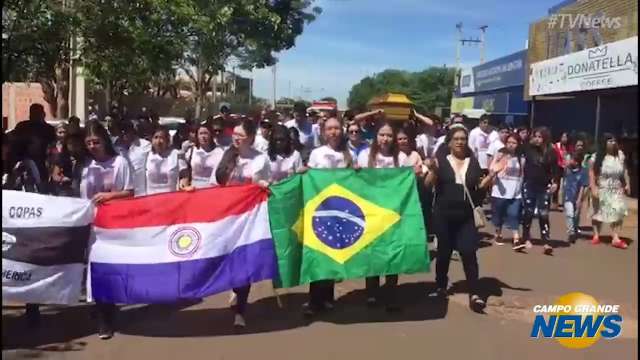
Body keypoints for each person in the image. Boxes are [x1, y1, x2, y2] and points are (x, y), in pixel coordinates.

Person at [424, 125, 497, 313]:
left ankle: (475, 293)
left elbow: (479, 189)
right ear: (449, 142)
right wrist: (432, 170)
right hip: (444, 215)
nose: (460, 142)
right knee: (444, 253)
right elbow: (427, 185)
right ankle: (440, 286)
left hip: (466, 217)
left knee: (468, 252)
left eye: (463, 139)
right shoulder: (440, 160)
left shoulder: (473, 162)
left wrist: (492, 175)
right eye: (456, 139)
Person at [210, 118, 270, 328]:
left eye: (240, 136)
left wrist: (262, 184)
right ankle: (234, 288)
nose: (235, 138)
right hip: (226, 217)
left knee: (244, 262)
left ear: (251, 138)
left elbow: (264, 185)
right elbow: (214, 184)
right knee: (227, 259)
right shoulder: (225, 156)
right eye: (234, 134)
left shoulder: (260, 159)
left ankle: (240, 311)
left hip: (248, 220)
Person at [80, 121, 134, 340]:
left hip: (115, 224)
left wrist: (109, 196)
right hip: (93, 226)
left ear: (104, 141)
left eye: (96, 142)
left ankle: (107, 314)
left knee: (111, 269)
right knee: (96, 270)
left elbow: (130, 191)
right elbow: (83, 198)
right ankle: (104, 315)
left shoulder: (120, 162)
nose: (93, 146)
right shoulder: (86, 166)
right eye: (89, 143)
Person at [356, 121, 409, 311]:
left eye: (388, 135)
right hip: (370, 212)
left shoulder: (402, 158)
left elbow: (407, 184)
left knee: (392, 253)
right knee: (373, 253)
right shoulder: (364, 156)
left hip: (394, 213)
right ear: (375, 136)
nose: (385, 139)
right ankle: (371, 292)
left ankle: (391, 293)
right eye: (381, 134)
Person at [305, 117, 353, 316]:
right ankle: (314, 300)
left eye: (336, 128)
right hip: (320, 210)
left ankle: (328, 298)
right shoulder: (317, 153)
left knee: (334, 253)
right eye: (329, 128)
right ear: (324, 132)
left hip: (340, 211)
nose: (333, 131)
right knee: (319, 255)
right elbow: (310, 176)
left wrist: (356, 171)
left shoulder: (347, 154)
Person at [521, 127, 560, 255]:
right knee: (528, 212)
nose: (537, 139)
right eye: (535, 136)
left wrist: (555, 182)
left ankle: (546, 241)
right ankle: (526, 237)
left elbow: (555, 170)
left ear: (545, 138)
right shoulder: (528, 149)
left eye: (540, 137)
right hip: (529, 185)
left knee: (544, 214)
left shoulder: (552, 152)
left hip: (544, 186)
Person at [589, 133, 630, 249]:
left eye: (614, 140)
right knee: (598, 212)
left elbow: (624, 170)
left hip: (616, 188)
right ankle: (596, 235)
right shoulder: (597, 156)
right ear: (604, 143)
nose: (613, 143)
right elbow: (591, 171)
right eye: (610, 141)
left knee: (618, 211)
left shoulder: (620, 155)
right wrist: (593, 187)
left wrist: (627, 183)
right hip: (601, 187)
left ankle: (615, 237)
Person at [488, 133, 525, 249]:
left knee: (514, 214)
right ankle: (498, 233)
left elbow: (522, 173)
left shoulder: (521, 157)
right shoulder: (500, 154)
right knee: (498, 215)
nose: (511, 145)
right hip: (499, 191)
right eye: (509, 142)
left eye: (514, 143)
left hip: (515, 192)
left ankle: (516, 239)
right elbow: (492, 170)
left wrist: (521, 187)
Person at [12, 103, 56, 182]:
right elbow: (14, 144)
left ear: (43, 114)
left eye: (37, 113)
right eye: (33, 113)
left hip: (42, 164)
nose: (35, 116)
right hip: (23, 163)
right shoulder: (22, 127)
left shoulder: (49, 130)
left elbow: (53, 146)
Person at [144, 126, 189, 195]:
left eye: (162, 138)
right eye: (156, 137)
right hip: (151, 198)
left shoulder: (176, 154)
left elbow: (184, 175)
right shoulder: (146, 156)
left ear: (167, 140)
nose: (158, 141)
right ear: (151, 140)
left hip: (171, 197)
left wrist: (183, 183)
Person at [563, 135, 589, 244]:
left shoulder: (583, 172)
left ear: (577, 162)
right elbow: (564, 168)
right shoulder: (568, 170)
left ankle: (575, 228)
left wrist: (579, 199)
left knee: (576, 215)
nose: (570, 161)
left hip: (577, 196)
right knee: (569, 213)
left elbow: (583, 186)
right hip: (568, 196)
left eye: (572, 160)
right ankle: (571, 233)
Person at [114, 120, 152, 196]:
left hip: (141, 194)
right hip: (121, 195)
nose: (123, 133)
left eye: (126, 130)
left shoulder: (145, 145)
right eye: (121, 131)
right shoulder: (114, 148)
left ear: (132, 131)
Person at [184, 123, 224, 189]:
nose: (203, 136)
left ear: (211, 135)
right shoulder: (191, 151)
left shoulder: (220, 152)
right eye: (201, 133)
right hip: (194, 189)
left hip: (212, 190)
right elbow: (185, 172)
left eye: (205, 133)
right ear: (197, 136)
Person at [49, 133, 86, 197]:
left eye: (76, 144)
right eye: (70, 144)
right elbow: (55, 176)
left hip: (82, 188)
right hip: (66, 189)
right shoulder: (62, 157)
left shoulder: (85, 158)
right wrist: (63, 179)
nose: (73, 146)